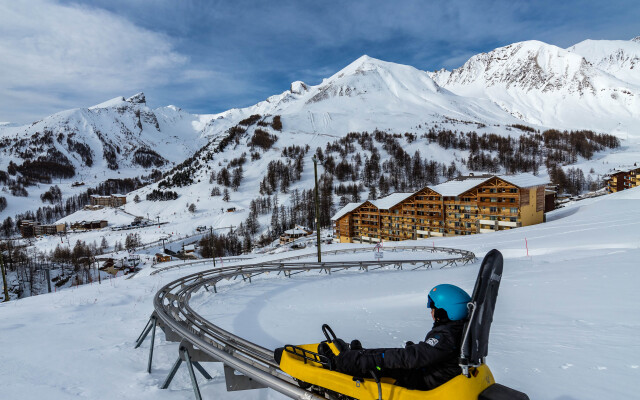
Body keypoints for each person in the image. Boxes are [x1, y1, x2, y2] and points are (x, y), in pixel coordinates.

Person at [319, 284, 471, 391]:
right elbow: (432, 353)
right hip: (428, 372)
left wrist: (386, 357)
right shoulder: (455, 330)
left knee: (384, 359)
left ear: (446, 311)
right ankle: (357, 357)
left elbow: (413, 358)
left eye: (433, 308)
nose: (431, 311)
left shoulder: (446, 336)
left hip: (422, 380)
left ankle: (338, 363)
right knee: (386, 356)